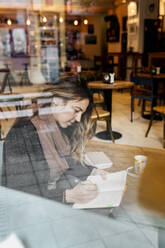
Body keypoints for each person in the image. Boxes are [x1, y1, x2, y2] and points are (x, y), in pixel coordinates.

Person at [2, 76, 106, 205]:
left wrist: (92, 171)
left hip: (47, 200)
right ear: (56, 101)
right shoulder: (24, 132)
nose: (79, 119)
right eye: (76, 110)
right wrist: (68, 196)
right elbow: (20, 192)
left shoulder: (55, 123)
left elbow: (68, 160)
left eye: (81, 113)